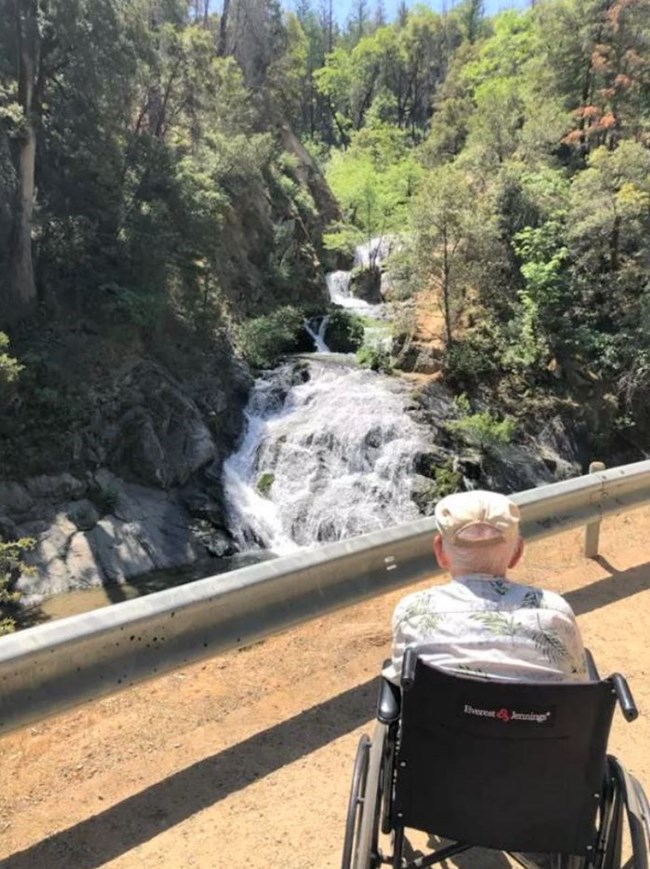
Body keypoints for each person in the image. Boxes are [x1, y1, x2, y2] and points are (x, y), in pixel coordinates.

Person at [384, 489, 588, 685]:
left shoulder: (412, 611)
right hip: (537, 720)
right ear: (517, 553)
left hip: (438, 721)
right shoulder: (554, 611)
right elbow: (578, 682)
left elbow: (402, 679)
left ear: (440, 552)